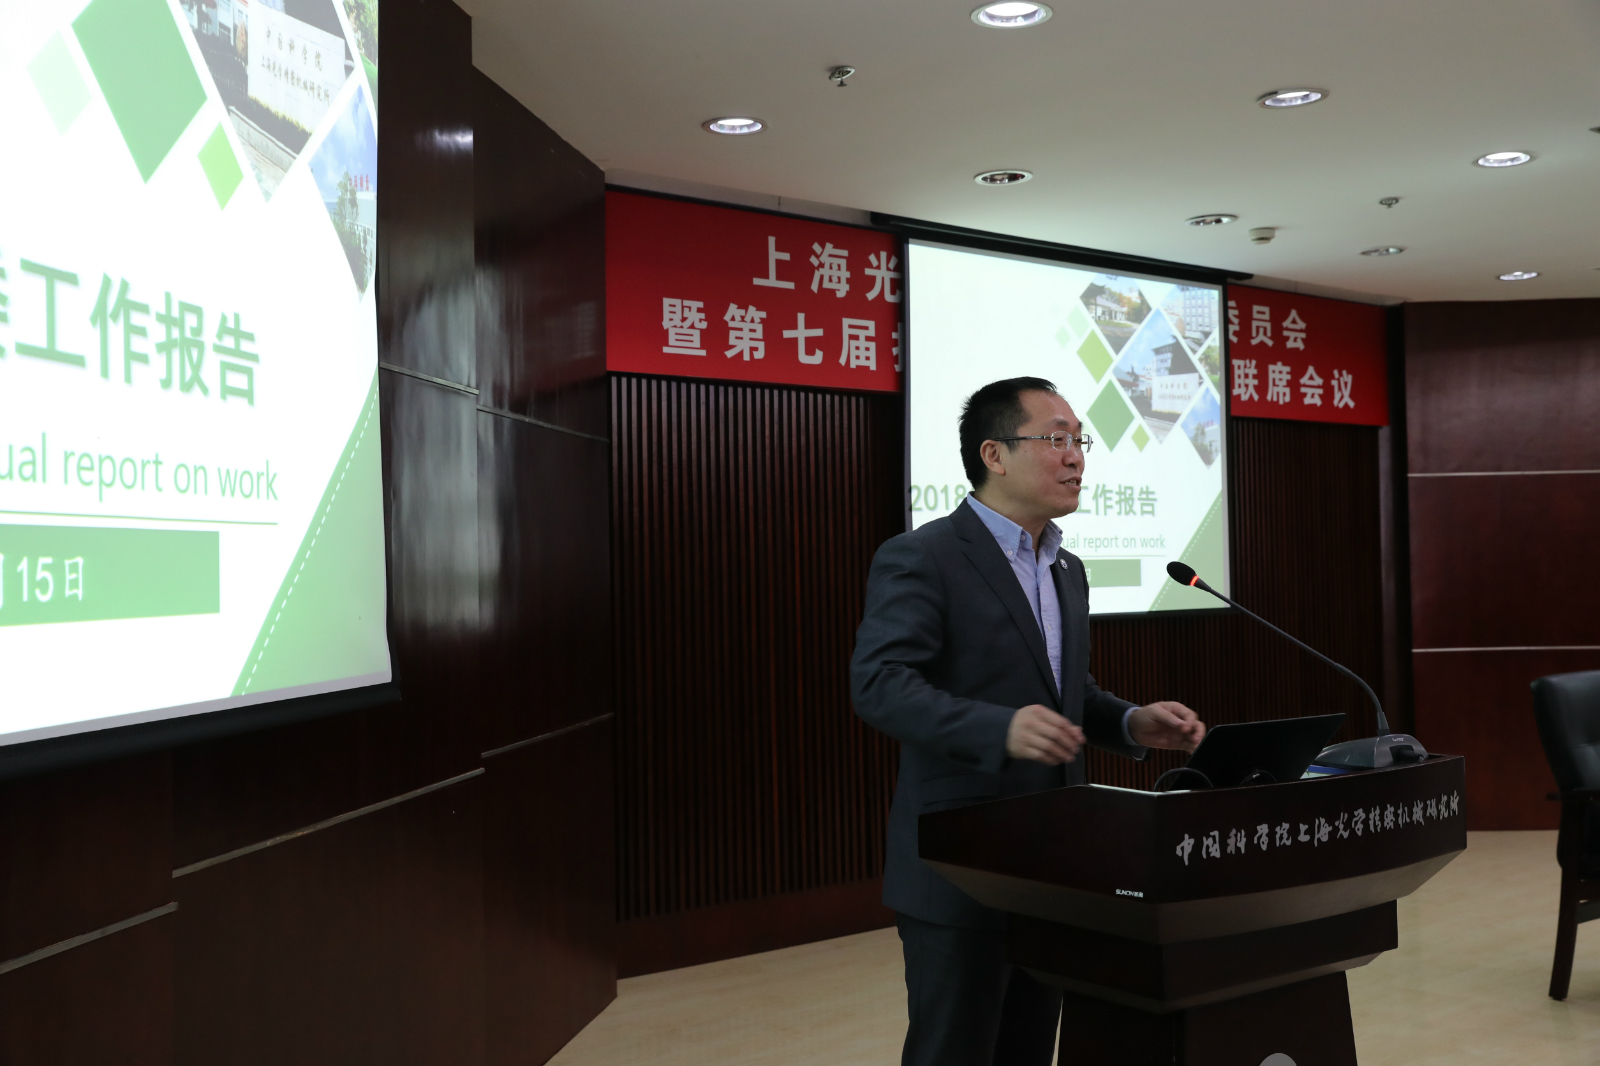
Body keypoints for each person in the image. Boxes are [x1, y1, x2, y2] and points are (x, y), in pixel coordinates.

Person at [851, 376, 1207, 1066]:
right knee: (953, 1053)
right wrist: (999, 729)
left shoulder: (1066, 568)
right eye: (1056, 439)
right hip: (961, 865)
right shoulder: (924, 556)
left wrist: (1131, 723)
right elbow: (880, 684)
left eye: (1081, 440)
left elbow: (1068, 693)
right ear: (995, 454)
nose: (1076, 456)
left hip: (1051, 866)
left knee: (1028, 1052)